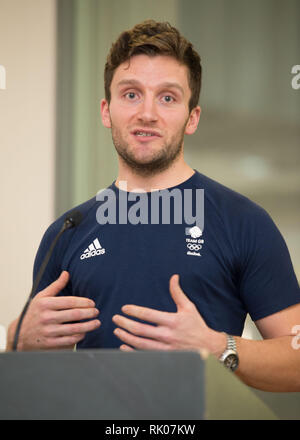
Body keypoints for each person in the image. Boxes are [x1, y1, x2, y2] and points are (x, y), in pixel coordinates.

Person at [6, 20, 300, 392]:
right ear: (105, 110)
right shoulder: (68, 232)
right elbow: (33, 383)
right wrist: (18, 341)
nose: (147, 113)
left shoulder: (244, 223)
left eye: (167, 97)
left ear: (192, 117)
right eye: (131, 94)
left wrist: (215, 347)